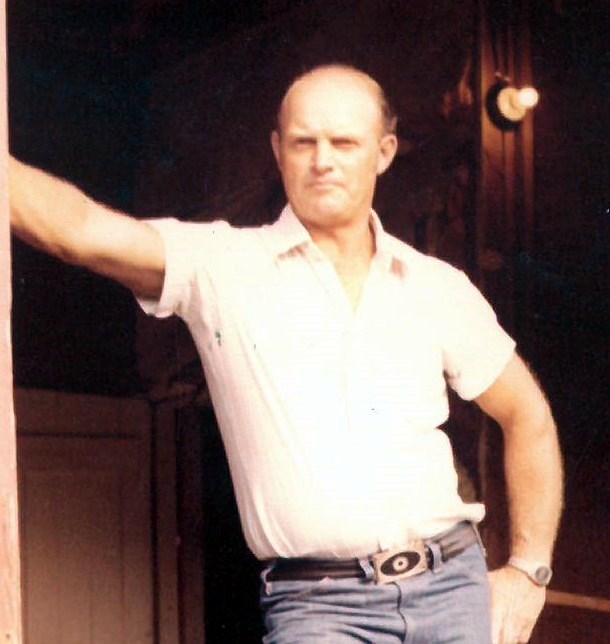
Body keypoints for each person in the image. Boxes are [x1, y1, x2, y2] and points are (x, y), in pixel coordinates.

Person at [10, 64, 563, 643]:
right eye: (304, 142)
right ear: (278, 151)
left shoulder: (435, 286)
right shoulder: (223, 267)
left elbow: (527, 416)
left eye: (344, 143)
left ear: (383, 152)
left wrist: (529, 570)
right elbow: (77, 230)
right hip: (322, 608)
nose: (323, 160)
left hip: (453, 590)